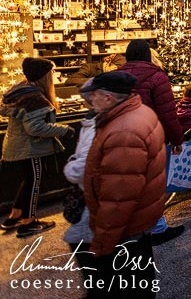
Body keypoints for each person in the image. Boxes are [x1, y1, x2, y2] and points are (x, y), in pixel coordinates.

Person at [82, 70, 166, 297]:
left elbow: (118, 197)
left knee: (125, 285)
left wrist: (102, 242)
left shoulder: (123, 132)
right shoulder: (140, 112)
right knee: (140, 278)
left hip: (126, 228)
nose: (91, 101)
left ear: (109, 97)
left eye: (95, 95)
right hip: (140, 220)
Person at [118, 39, 184, 245]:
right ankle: (157, 228)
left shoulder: (116, 76)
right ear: (148, 55)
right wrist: (177, 139)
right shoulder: (157, 76)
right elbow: (168, 113)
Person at [1, 57, 74, 237]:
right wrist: (64, 130)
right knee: (33, 183)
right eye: (52, 72)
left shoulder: (22, 91)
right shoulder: (35, 98)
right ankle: (29, 222)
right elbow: (35, 128)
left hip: (17, 146)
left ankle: (14, 215)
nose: (53, 75)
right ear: (44, 76)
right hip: (29, 148)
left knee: (28, 181)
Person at [62, 82, 96, 276]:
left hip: (94, 194)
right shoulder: (97, 122)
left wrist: (71, 166)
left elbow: (83, 166)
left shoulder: (95, 124)